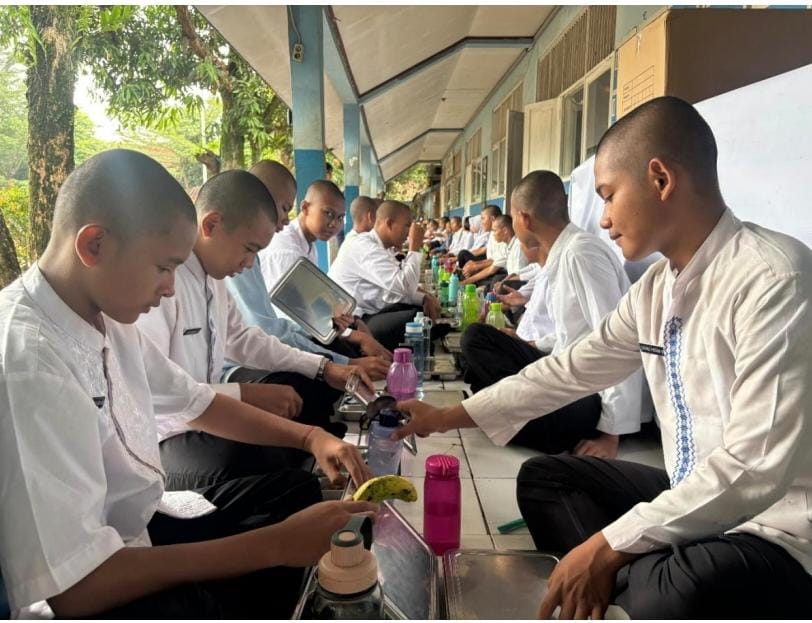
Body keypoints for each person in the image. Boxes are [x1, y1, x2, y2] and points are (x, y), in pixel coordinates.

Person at [391, 97, 812, 618]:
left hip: (775, 525)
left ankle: (626, 584)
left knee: (671, 590)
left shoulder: (773, 278)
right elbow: (568, 369)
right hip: (690, 486)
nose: (605, 219)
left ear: (661, 179)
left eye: (609, 196)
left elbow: (754, 467)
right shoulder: (656, 288)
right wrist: (444, 417)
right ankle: (617, 589)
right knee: (545, 479)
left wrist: (610, 544)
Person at [0, 149, 377, 619]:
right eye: (163, 268)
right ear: (94, 245)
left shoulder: (106, 316)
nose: (170, 288)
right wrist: (274, 545)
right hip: (95, 587)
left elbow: (195, 399)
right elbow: (76, 590)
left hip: (140, 524)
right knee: (244, 574)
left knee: (291, 495)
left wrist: (311, 437)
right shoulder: (30, 362)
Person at [137, 170, 375, 490]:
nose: (250, 263)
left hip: (206, 418)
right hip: (166, 436)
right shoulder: (165, 285)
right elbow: (160, 392)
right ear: (211, 225)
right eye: (248, 249)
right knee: (269, 466)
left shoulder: (214, 279)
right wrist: (245, 395)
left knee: (284, 453)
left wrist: (323, 367)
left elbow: (243, 338)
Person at [460, 176, 643, 456]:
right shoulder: (564, 252)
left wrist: (610, 434)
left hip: (589, 398)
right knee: (480, 341)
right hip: (568, 374)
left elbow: (619, 342)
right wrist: (534, 344)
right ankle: (509, 414)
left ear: (524, 219)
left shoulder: (581, 253)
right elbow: (573, 332)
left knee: (476, 344)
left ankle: (526, 422)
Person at [225, 162, 390, 381]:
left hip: (286, 336)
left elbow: (298, 319)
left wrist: (343, 337)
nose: (284, 220)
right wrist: (338, 362)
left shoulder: (301, 246)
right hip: (248, 360)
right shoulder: (279, 252)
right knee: (324, 371)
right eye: (282, 208)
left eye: (340, 218)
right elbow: (272, 329)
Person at [329, 200, 442, 351]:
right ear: (389, 223)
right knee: (418, 320)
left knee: (420, 310)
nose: (409, 233)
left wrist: (424, 298)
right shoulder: (364, 246)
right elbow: (405, 287)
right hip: (352, 323)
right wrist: (414, 247)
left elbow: (393, 292)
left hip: (368, 313)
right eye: (407, 226)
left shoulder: (382, 248)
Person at [258, 179, 345, 299]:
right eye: (328, 213)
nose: (334, 224)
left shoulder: (308, 244)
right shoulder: (286, 250)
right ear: (305, 208)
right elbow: (293, 304)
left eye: (340, 217)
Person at [461, 213, 514, 288]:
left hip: (502, 272)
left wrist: (465, 281)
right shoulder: (503, 240)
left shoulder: (512, 243)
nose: (481, 222)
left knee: (497, 280)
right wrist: (474, 264)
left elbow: (492, 268)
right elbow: (493, 260)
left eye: (483, 218)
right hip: (495, 267)